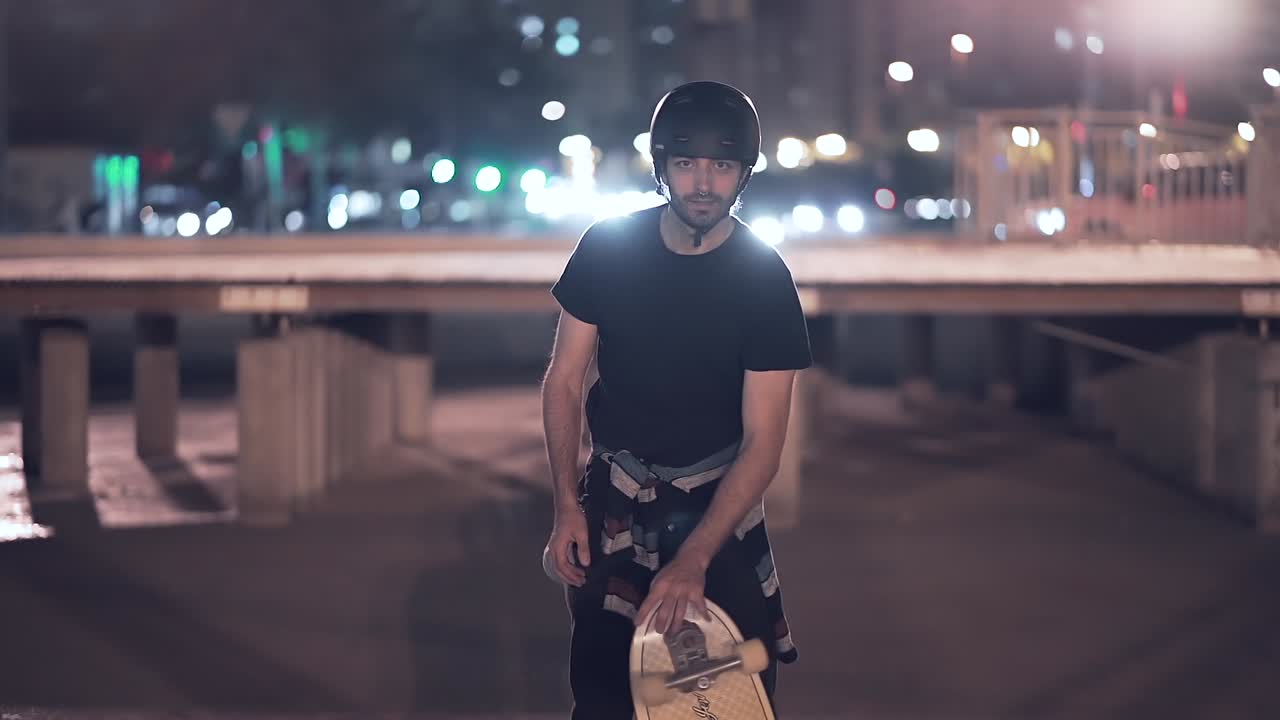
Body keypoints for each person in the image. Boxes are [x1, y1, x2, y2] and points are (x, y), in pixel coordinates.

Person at [540, 79, 812, 719]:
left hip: (714, 507)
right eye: (686, 162)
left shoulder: (764, 278)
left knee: (725, 700)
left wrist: (693, 559)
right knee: (605, 693)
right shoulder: (607, 247)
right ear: (662, 166)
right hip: (614, 494)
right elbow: (564, 379)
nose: (702, 182)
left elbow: (764, 443)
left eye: (721, 165)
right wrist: (564, 505)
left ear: (743, 174)